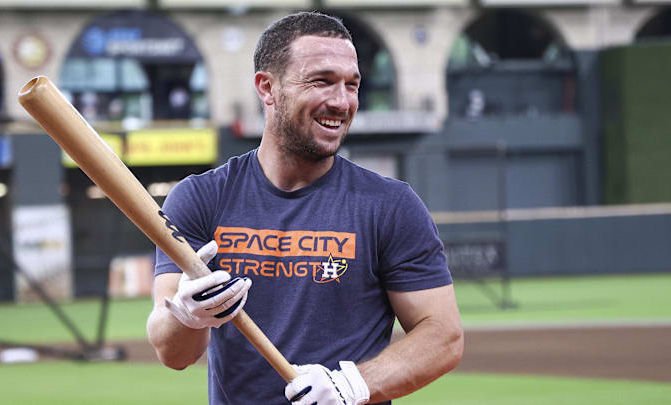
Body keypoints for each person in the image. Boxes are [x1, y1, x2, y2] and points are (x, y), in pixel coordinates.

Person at [146, 11, 463, 405]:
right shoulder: (200, 199)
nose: (342, 102)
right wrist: (186, 314)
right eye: (322, 81)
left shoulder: (390, 206)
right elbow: (173, 354)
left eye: (352, 85)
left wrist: (354, 385)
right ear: (267, 88)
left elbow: (443, 336)